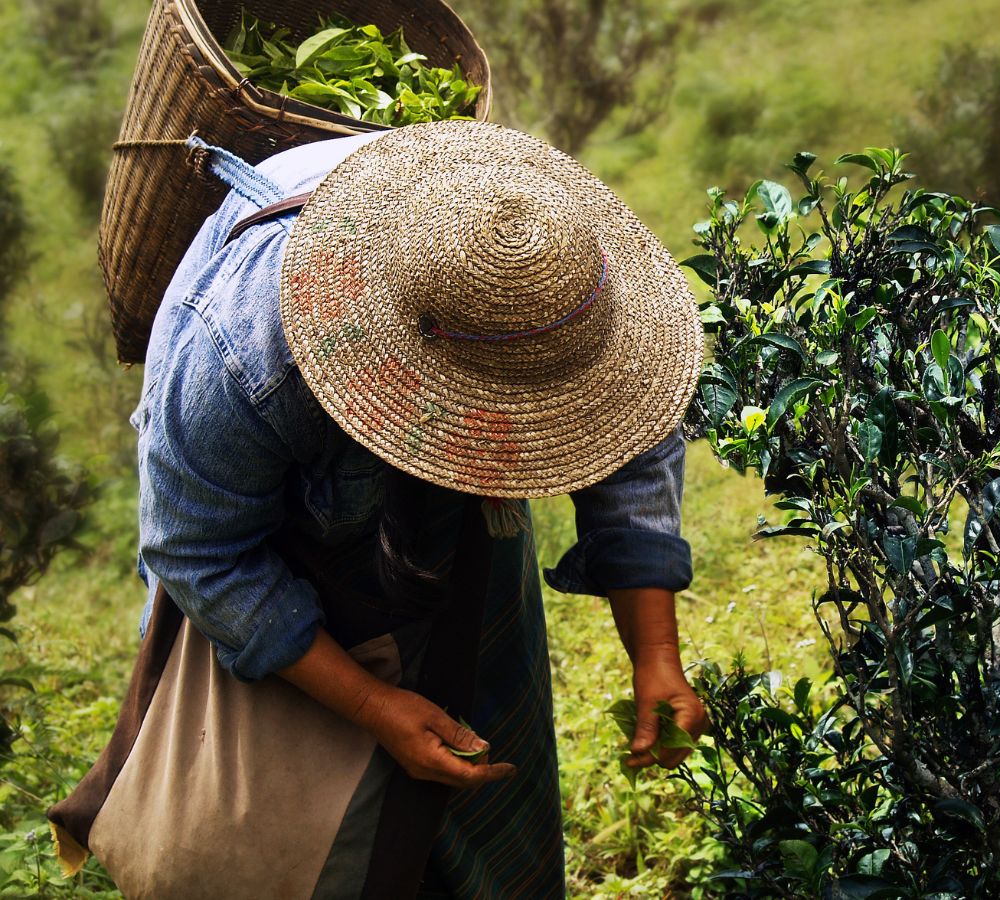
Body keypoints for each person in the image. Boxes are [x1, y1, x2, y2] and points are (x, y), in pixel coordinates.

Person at [126, 121, 709, 896]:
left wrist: (656, 656)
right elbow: (199, 551)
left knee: (489, 834)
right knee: (297, 845)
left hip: (464, 538)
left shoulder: (571, 279)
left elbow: (634, 441)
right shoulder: (244, 347)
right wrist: (371, 704)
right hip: (284, 544)